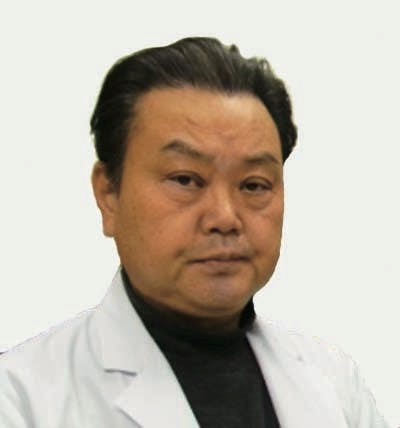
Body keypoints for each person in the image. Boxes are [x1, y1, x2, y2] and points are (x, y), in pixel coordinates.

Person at [0, 37, 389, 428]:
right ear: (108, 195)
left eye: (254, 185)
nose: (225, 217)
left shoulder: (335, 383)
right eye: (185, 179)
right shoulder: (21, 398)